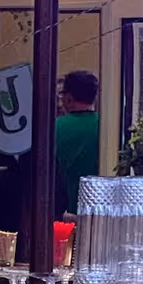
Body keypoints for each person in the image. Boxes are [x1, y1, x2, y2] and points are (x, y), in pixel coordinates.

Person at [55, 70, 99, 218]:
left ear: (69, 97)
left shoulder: (55, 127)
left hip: (67, 210)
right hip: (101, 207)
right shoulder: (107, 125)